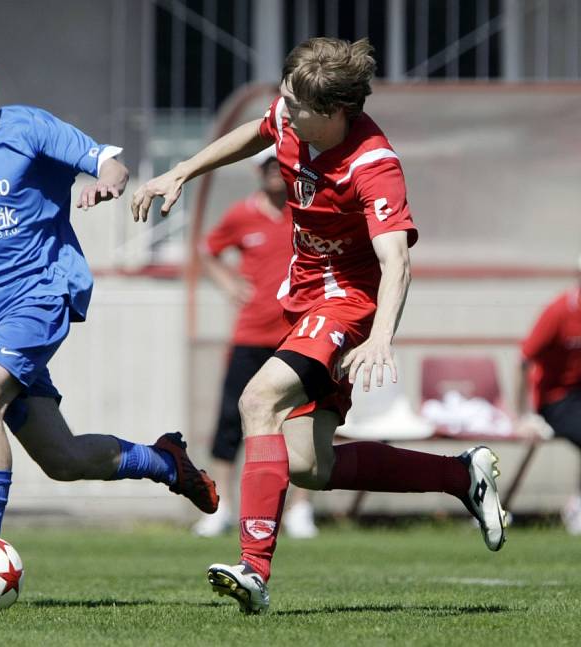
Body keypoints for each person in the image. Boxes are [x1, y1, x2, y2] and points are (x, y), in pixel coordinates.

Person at [132, 36, 507, 614]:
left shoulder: (373, 165)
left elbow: (396, 262)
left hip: (348, 301)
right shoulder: (293, 115)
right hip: (304, 298)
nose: (283, 110)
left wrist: (380, 336)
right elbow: (258, 131)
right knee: (309, 465)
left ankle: (254, 570)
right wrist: (181, 170)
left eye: (295, 105)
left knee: (258, 400)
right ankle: (462, 477)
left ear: (335, 113)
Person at [0, 39, 218, 540]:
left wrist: (107, 182)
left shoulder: (29, 127)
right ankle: (164, 462)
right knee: (61, 459)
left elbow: (110, 160)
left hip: (41, 293)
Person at [192, 148, 317, 539]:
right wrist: (229, 284)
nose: (274, 174)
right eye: (266, 167)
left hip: (296, 336)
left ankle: (300, 510)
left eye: (278, 166)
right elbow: (207, 250)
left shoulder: (306, 212)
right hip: (249, 336)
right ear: (257, 172)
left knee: (300, 421)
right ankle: (221, 507)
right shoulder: (241, 214)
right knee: (230, 420)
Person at [515, 257, 581, 534]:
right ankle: (577, 506)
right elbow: (523, 361)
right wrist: (522, 415)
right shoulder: (558, 312)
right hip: (555, 400)